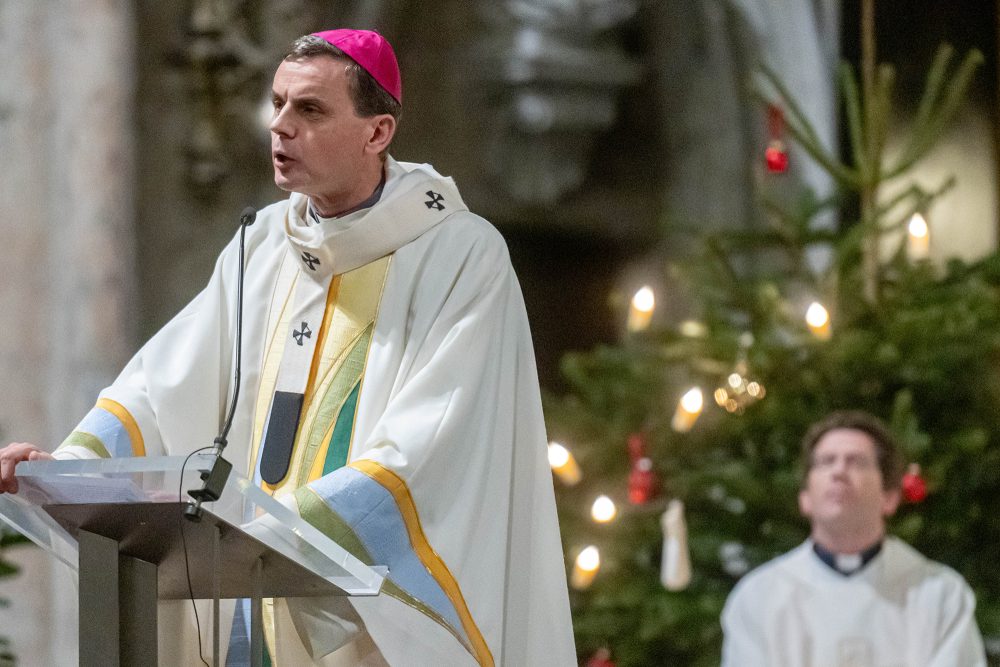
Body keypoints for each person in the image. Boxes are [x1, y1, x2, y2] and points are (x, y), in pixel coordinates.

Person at [0, 29, 576, 667]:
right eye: (277, 104)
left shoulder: (460, 254)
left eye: (309, 110)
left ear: (377, 132)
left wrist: (284, 528)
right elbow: (160, 388)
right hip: (252, 596)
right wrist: (71, 471)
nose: (279, 127)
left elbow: (439, 441)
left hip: (364, 620)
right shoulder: (263, 245)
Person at [721, 411, 985, 666]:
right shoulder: (759, 597)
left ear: (889, 497)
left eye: (856, 462)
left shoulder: (940, 595)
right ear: (805, 499)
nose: (839, 472)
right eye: (826, 462)